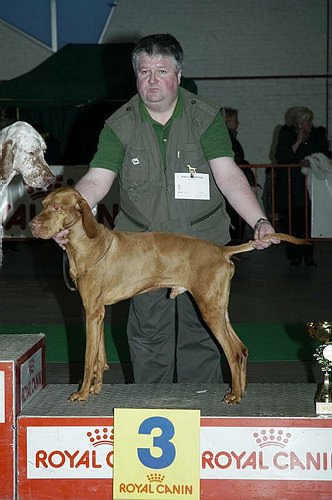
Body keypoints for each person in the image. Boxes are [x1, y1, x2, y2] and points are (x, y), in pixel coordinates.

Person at [55, 33, 278, 384]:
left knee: (202, 331)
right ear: (136, 76)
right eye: (145, 72)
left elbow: (229, 175)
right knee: (148, 335)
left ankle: (198, 405)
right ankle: (150, 405)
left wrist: (259, 220)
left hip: (201, 239)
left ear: (178, 74)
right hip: (142, 246)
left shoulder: (205, 118)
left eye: (161, 71)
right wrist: (67, 216)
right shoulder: (120, 124)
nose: (152, 80)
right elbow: (96, 181)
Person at [275, 106, 330, 266]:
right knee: (292, 222)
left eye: (310, 121)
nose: (309, 125)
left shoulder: (318, 134)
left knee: (309, 221)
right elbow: (282, 156)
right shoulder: (287, 134)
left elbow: (324, 153)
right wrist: (298, 140)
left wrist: (311, 161)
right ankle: (294, 256)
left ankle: (309, 255)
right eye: (305, 121)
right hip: (292, 185)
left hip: (311, 185)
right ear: (298, 123)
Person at [224, 107, 256, 241]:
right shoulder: (228, 138)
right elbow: (236, 160)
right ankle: (234, 245)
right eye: (234, 120)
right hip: (231, 180)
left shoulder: (230, 137)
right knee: (235, 215)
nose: (237, 123)